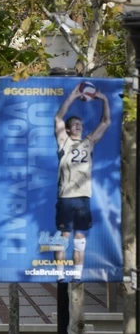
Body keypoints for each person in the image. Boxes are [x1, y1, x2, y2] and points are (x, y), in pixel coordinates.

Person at [53, 83, 111, 281]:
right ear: (68, 130)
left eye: (80, 123)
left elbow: (105, 122)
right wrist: (72, 96)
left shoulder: (88, 142)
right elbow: (58, 118)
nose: (79, 125)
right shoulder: (64, 142)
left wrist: (103, 99)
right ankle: (60, 276)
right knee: (63, 238)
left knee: (80, 240)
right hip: (67, 197)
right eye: (75, 124)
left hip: (84, 198)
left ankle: (77, 277)